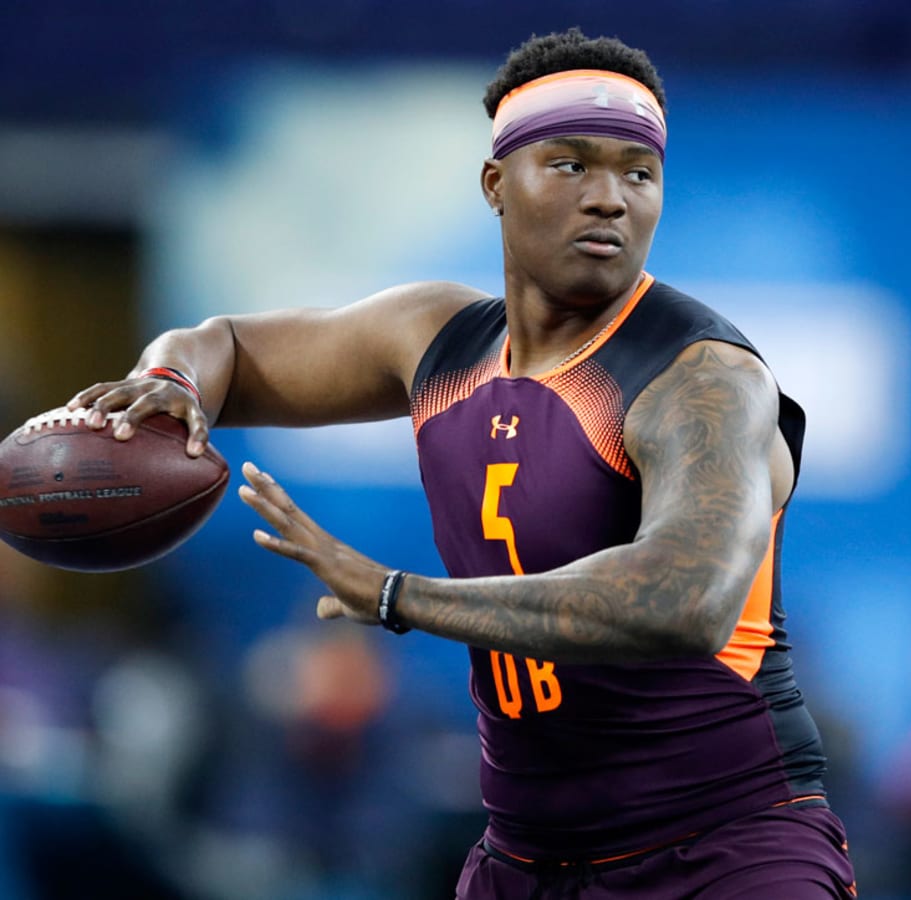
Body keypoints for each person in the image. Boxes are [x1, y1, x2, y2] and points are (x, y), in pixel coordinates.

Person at [67, 28, 857, 899]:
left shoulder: (700, 377)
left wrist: (400, 598)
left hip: (723, 848)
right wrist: (171, 383)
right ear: (496, 184)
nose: (610, 199)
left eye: (639, 172)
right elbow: (226, 348)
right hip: (528, 859)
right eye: (570, 165)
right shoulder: (440, 343)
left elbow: (686, 600)